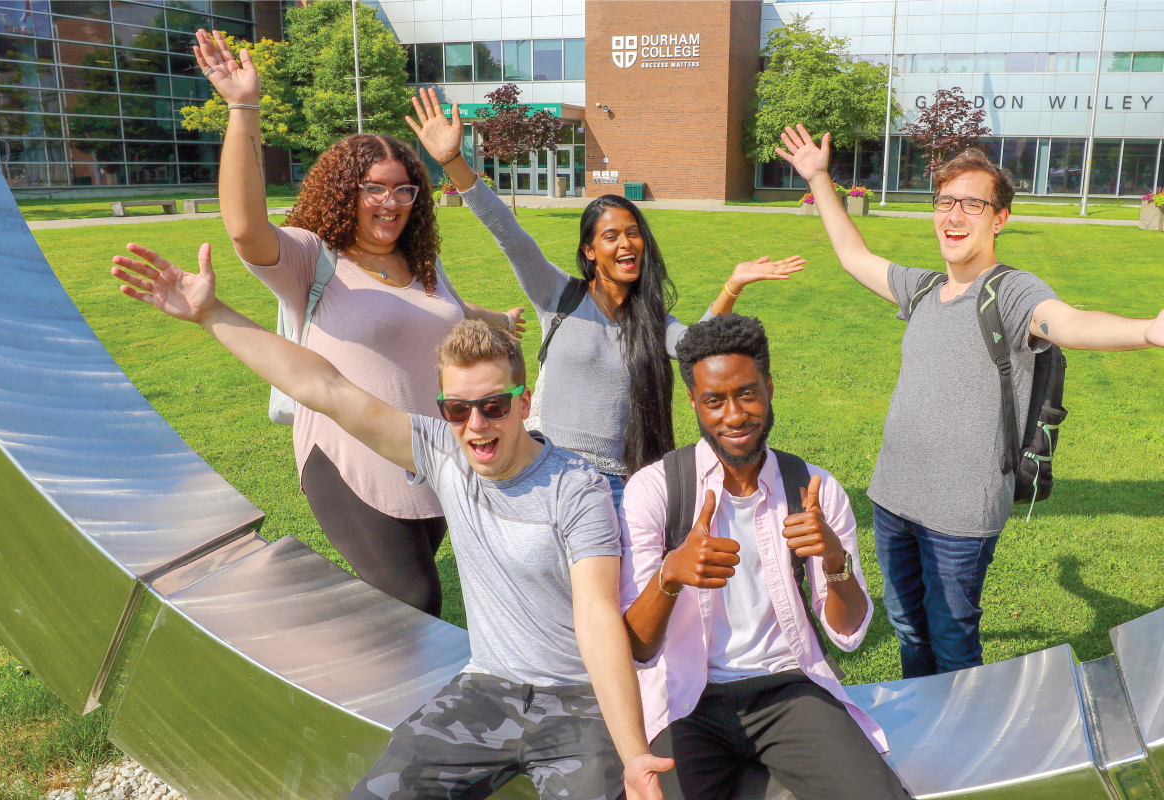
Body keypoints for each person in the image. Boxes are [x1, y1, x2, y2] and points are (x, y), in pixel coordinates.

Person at [109, 240, 673, 800]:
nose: (476, 425)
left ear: (525, 403)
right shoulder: (444, 453)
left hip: (577, 701)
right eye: (457, 409)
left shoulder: (575, 488)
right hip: (485, 692)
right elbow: (324, 387)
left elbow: (598, 619)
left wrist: (632, 754)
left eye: (494, 406)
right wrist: (211, 314)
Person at [776, 125, 1164, 678]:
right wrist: (818, 176)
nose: (953, 216)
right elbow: (853, 255)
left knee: (954, 642)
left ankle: (966, 749)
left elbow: (1070, 322)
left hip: (960, 513)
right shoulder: (924, 290)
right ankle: (926, 741)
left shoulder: (1011, 291)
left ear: (999, 217)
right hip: (892, 498)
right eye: (945, 202)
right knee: (910, 630)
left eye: (972, 205)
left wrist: (1148, 331)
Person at [194, 31, 526, 618]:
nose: (391, 202)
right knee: (414, 599)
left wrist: (499, 319)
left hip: (430, 449)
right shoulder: (311, 258)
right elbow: (246, 228)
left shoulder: (421, 261)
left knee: (399, 601)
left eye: (404, 189)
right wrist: (242, 108)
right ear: (346, 192)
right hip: (349, 451)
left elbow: (450, 311)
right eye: (375, 187)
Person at [405, 90, 807, 506]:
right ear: (589, 251)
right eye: (611, 236)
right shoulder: (558, 294)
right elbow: (509, 234)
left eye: (633, 233)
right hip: (549, 473)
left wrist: (732, 285)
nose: (626, 244)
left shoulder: (651, 320)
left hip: (617, 485)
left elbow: (697, 347)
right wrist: (454, 162)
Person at [620, 315, 908, 800]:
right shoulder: (655, 490)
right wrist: (671, 575)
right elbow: (638, 646)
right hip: (687, 702)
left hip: (787, 689)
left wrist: (834, 560)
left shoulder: (812, 489)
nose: (733, 416)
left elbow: (848, 632)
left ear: (770, 388)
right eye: (714, 400)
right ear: (692, 402)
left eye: (747, 394)